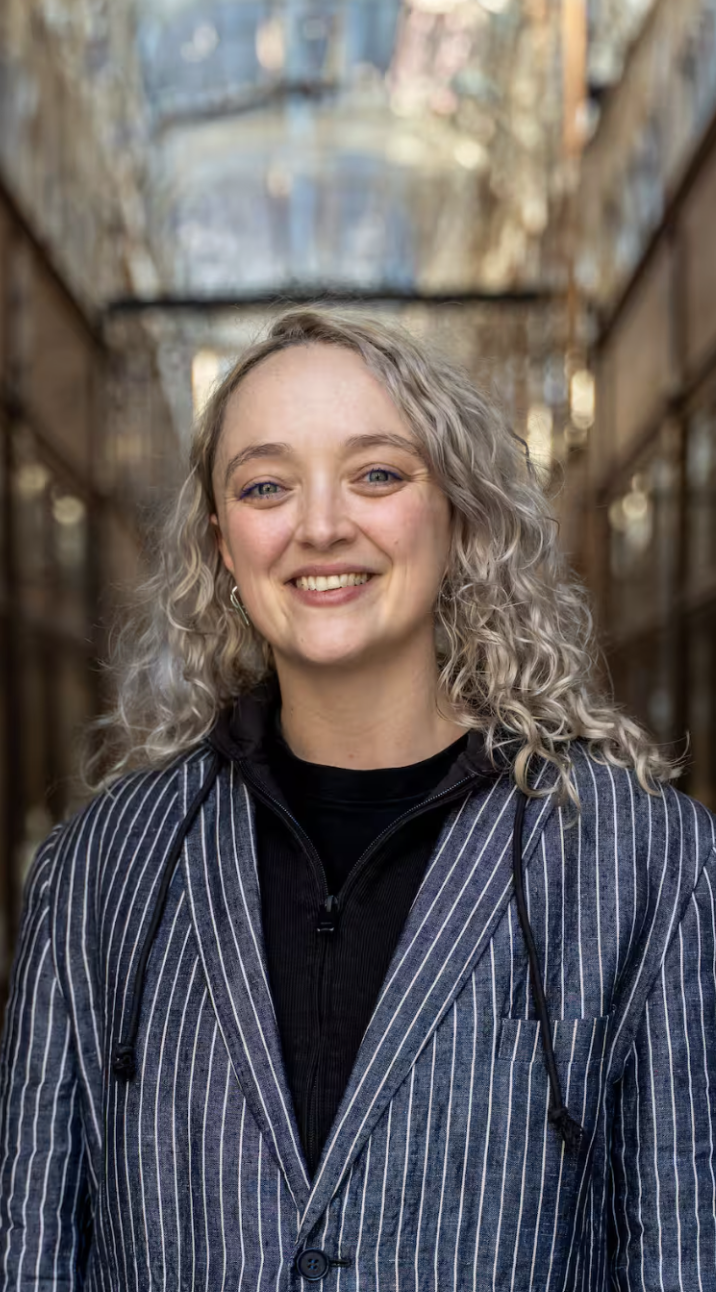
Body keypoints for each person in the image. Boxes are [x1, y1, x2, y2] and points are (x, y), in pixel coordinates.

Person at [0, 307, 714, 1292]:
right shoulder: (98, 870)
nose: (321, 524)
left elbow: (685, 1246)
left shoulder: (644, 861)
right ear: (222, 544)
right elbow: (31, 1250)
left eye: (376, 474)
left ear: (457, 514)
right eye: (265, 485)